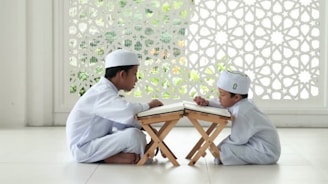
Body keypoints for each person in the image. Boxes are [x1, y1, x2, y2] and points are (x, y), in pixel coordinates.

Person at [66, 49, 163, 164]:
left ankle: (108, 156)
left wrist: (149, 130)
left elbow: (120, 121)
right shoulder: (101, 92)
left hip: (96, 141)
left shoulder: (108, 91)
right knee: (134, 137)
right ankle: (106, 157)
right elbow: (128, 111)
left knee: (136, 135)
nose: (136, 79)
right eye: (134, 74)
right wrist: (149, 105)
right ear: (122, 74)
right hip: (83, 148)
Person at [193, 70, 281, 165]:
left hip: (266, 152)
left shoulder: (242, 111)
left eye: (222, 94)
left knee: (225, 148)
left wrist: (216, 146)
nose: (219, 97)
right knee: (223, 148)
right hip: (258, 145)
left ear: (236, 97)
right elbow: (224, 104)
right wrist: (207, 103)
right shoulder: (240, 103)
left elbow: (237, 139)